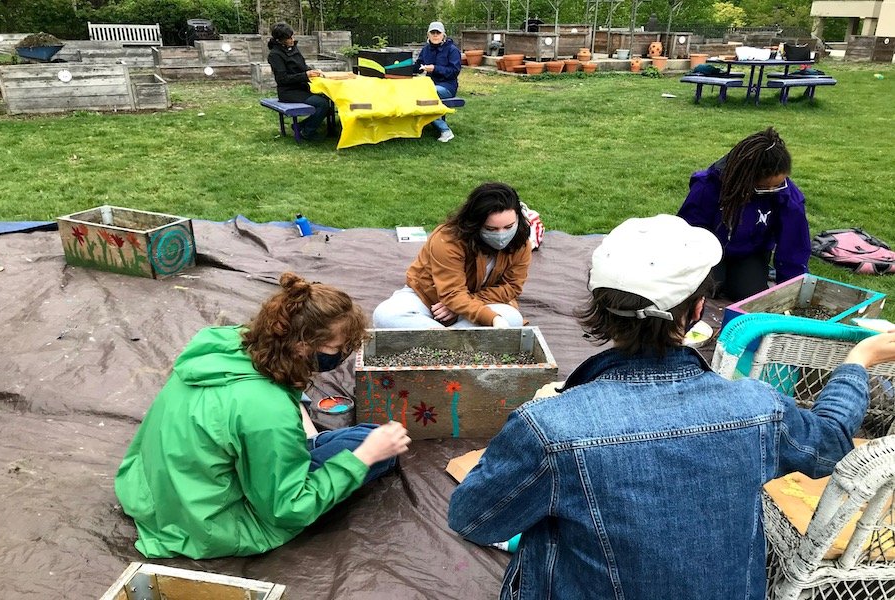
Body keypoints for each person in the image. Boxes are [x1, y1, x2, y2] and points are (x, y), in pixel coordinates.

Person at [448, 214, 895, 600]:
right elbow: (829, 444)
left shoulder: (548, 428)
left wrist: (526, 439)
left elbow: (475, 520)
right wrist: (857, 362)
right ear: (699, 308)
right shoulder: (759, 407)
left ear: (598, 305)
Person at [115, 273, 411, 559]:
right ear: (301, 346)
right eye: (336, 348)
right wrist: (362, 460)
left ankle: (318, 445)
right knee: (377, 447)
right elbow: (288, 508)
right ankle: (349, 452)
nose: (342, 354)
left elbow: (260, 403)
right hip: (210, 524)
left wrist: (298, 423)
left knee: (364, 438)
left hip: (158, 494)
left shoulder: (224, 344)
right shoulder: (268, 414)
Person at [373, 182, 532, 329]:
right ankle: (454, 341)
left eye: (509, 227)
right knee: (385, 315)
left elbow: (511, 287)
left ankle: (436, 340)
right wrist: (492, 319)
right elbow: (452, 293)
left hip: (482, 302)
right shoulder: (447, 240)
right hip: (430, 299)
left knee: (512, 318)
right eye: (491, 229)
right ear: (474, 224)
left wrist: (467, 305)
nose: (502, 235)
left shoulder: (521, 243)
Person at [677, 127, 811, 301]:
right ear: (746, 178)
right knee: (703, 291)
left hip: (751, 252)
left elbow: (794, 245)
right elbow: (687, 232)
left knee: (748, 296)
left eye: (779, 184)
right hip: (709, 251)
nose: (773, 190)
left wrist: (792, 289)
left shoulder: (786, 196)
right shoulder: (708, 186)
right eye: (765, 187)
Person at [267, 22, 331, 140]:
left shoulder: (293, 48)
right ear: (280, 40)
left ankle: (300, 125)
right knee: (322, 104)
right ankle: (307, 132)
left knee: (327, 98)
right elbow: (282, 79)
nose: (292, 39)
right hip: (289, 92)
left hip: (302, 87)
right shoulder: (275, 55)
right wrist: (305, 75)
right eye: (289, 38)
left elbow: (302, 66)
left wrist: (313, 71)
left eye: (292, 36)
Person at [414, 21, 461, 143]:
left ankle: (445, 131)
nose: (435, 35)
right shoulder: (426, 49)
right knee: (414, 93)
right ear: (428, 35)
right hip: (429, 85)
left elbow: (454, 71)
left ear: (443, 35)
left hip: (447, 86)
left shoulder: (452, 50)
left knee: (427, 96)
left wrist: (435, 68)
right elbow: (417, 66)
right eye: (432, 33)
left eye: (438, 33)